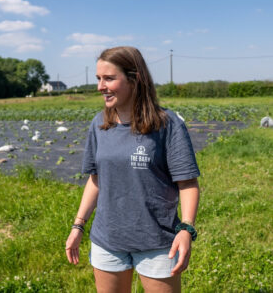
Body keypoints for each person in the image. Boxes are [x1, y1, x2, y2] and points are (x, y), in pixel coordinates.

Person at [66, 46, 200, 293]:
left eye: (109, 78)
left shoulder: (167, 125)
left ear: (134, 79)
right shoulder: (99, 124)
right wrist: (78, 226)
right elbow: (96, 180)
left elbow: (187, 183)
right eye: (98, 79)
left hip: (158, 242)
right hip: (108, 241)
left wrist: (186, 229)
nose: (100, 87)